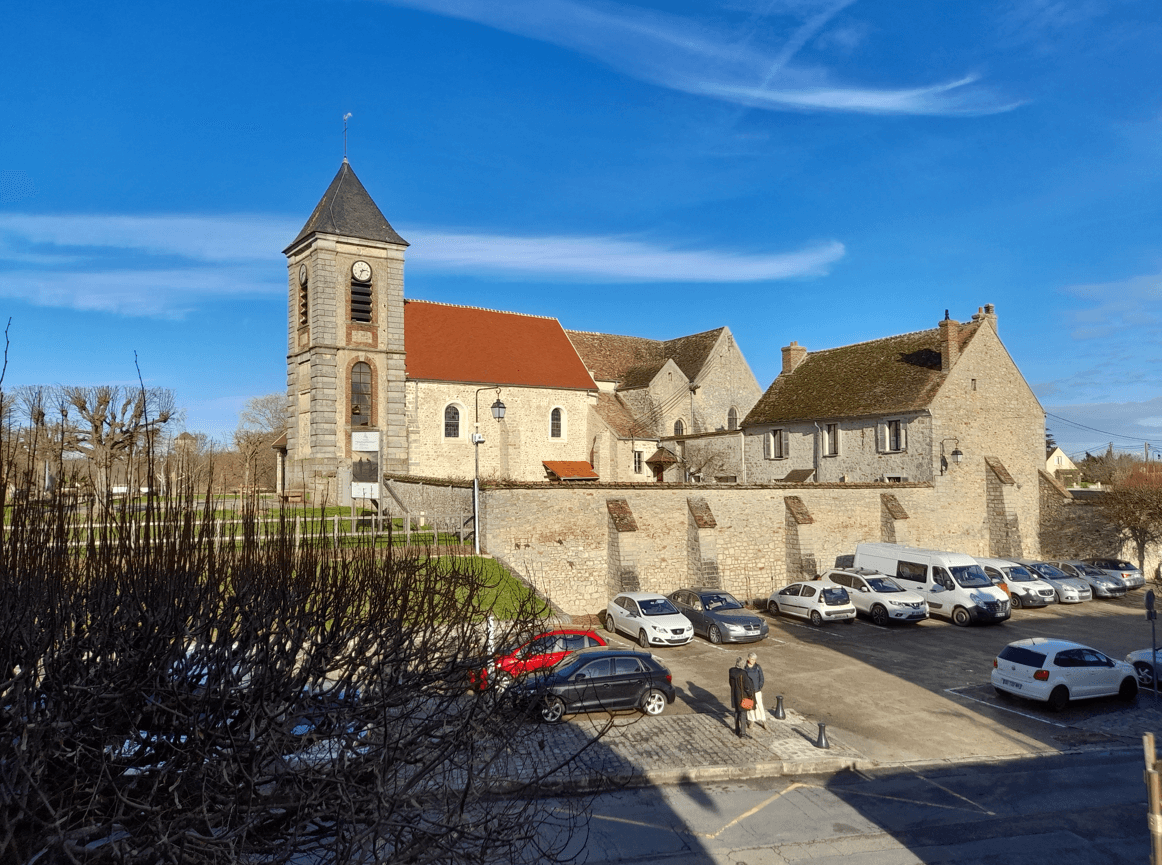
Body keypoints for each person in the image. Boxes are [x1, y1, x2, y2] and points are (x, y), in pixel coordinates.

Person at [728, 656, 755, 738]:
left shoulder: (731, 671)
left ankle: (737, 730)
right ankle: (743, 733)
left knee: (736, 712)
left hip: (734, 695)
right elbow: (747, 686)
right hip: (742, 696)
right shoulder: (743, 673)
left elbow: (730, 683)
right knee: (743, 714)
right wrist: (750, 694)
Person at [745, 652, 767, 731]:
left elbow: (762, 678)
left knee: (759, 706)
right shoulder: (745, 668)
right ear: (748, 659)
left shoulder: (758, 667)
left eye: (755, 660)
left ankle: (763, 720)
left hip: (757, 690)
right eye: (752, 659)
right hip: (748, 692)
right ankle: (752, 720)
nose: (753, 661)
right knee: (749, 707)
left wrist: (759, 686)